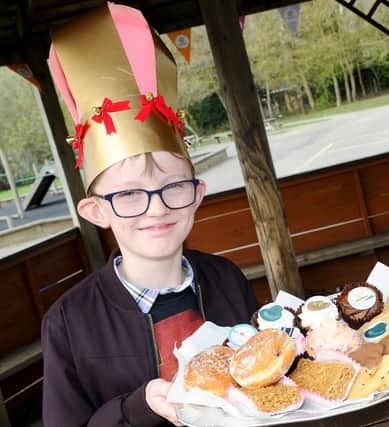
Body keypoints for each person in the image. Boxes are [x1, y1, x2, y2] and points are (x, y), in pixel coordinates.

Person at [41, 4, 258, 426]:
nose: (156, 207)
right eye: (128, 194)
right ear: (95, 211)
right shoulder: (69, 323)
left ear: (197, 195)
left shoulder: (227, 279)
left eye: (173, 187)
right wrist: (140, 407)